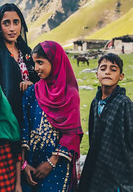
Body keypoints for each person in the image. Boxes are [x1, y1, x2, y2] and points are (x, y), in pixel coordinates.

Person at [78, 53, 133, 191]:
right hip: (98, 162)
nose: (107, 72)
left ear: (121, 76)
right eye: (103, 68)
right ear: (97, 74)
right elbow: (93, 133)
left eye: (113, 69)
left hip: (119, 163)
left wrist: (119, 146)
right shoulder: (95, 102)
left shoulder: (124, 103)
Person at [21, 41, 83, 192]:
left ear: (55, 61)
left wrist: (51, 162)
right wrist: (24, 163)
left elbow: (72, 133)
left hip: (58, 165)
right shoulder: (32, 92)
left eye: (40, 62)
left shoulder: (70, 95)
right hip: (31, 163)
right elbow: (24, 126)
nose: (36, 69)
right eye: (34, 63)